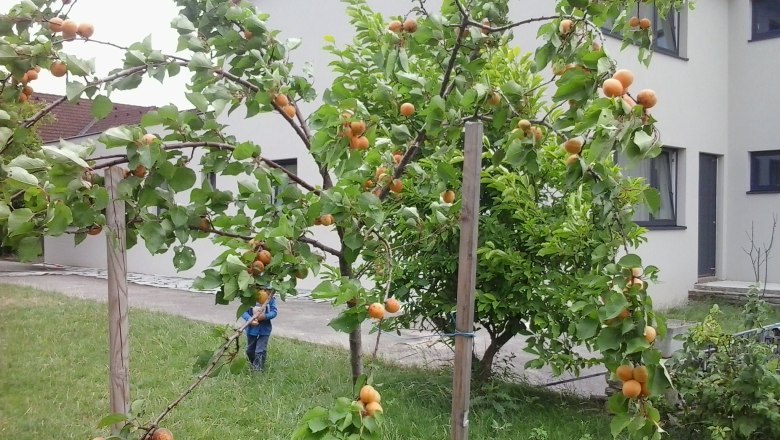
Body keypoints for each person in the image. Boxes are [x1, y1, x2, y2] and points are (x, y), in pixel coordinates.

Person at [241, 291, 278, 372]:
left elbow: (274, 312)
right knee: (250, 350)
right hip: (251, 330)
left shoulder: (270, 299)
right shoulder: (250, 298)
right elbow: (243, 312)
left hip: (265, 330)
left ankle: (258, 369)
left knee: (260, 350)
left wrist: (265, 316)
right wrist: (250, 320)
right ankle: (252, 364)